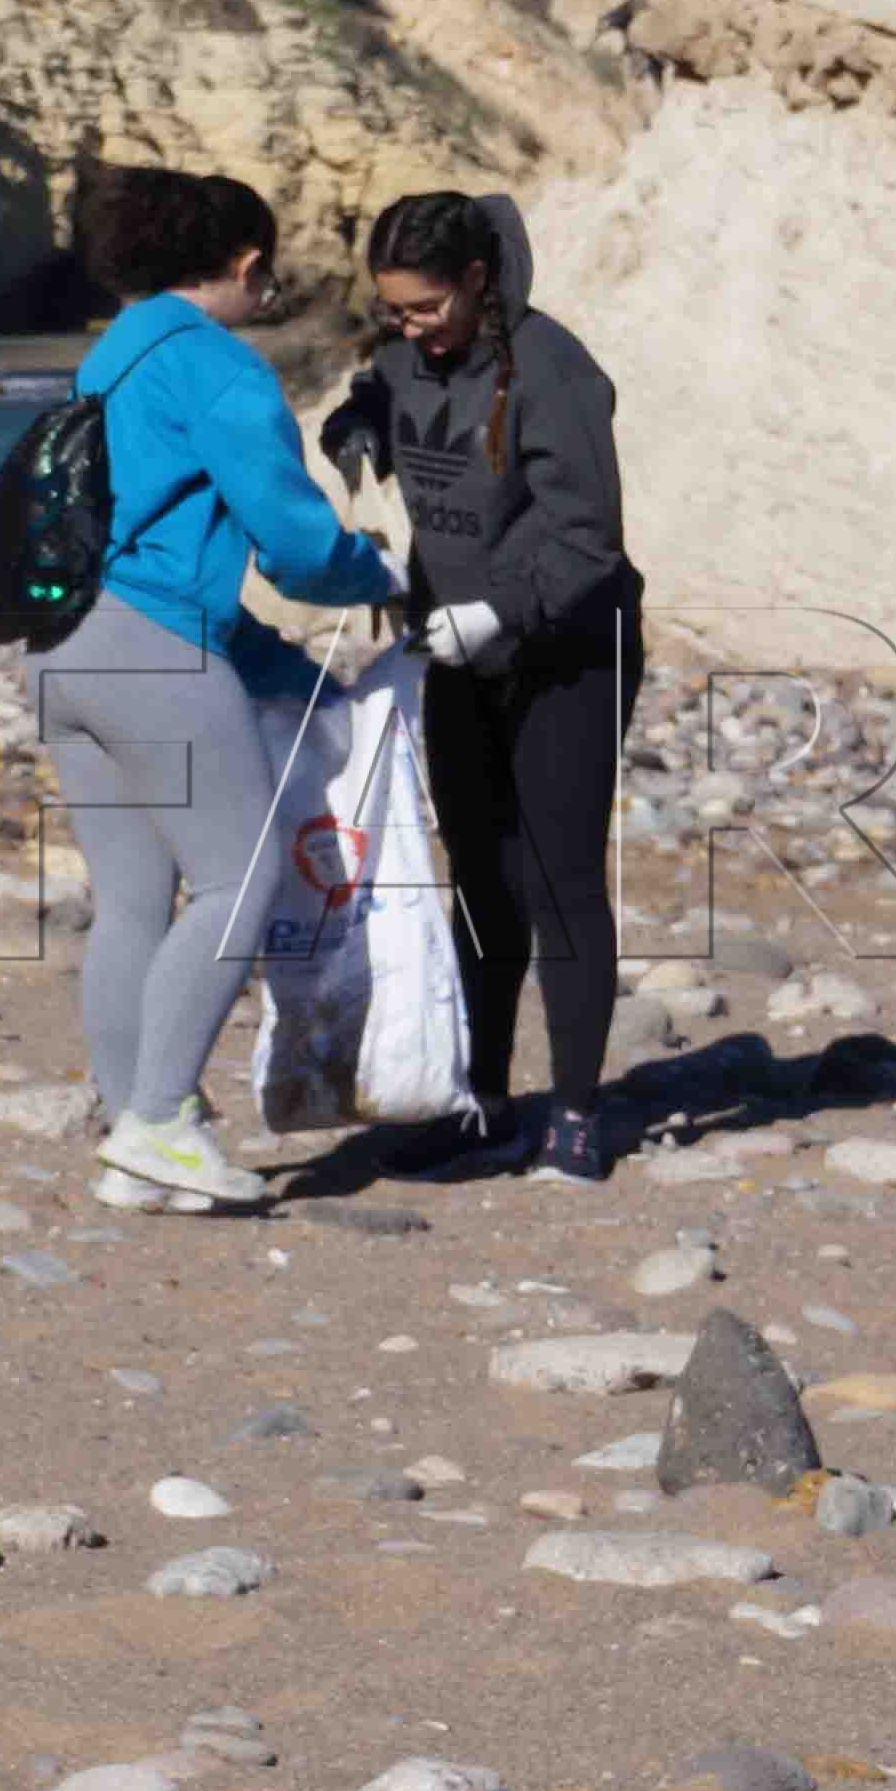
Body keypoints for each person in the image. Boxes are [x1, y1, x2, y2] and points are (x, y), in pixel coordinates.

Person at [39, 169, 406, 1214]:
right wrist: (378, 573)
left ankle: (134, 1136)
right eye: (268, 273)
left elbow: (160, 549)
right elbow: (294, 545)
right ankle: (160, 1120)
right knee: (239, 879)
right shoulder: (219, 367)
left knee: (131, 901)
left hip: (62, 646)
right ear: (245, 263)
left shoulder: (112, 354)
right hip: (152, 653)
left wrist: (293, 674)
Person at [322, 187, 641, 1183]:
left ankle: (577, 1115)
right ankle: (484, 1102)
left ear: (474, 279)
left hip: (569, 653)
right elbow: (377, 388)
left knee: (558, 877)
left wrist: (501, 610)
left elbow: (588, 539)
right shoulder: (408, 354)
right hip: (457, 656)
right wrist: (355, 426)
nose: (409, 327)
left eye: (425, 307)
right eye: (392, 311)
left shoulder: (553, 370)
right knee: (478, 880)